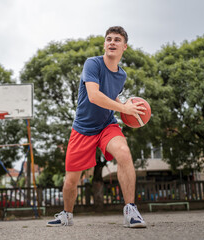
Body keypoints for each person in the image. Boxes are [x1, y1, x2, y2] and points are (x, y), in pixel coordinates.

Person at [47, 26, 147, 228]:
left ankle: (131, 210)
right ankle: (66, 214)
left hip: (106, 125)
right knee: (70, 181)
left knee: (124, 153)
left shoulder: (122, 75)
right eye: (109, 39)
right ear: (104, 44)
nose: (112, 42)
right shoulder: (92, 64)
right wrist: (123, 108)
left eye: (117, 40)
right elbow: (94, 96)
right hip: (82, 129)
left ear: (124, 47)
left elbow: (112, 96)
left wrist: (127, 108)